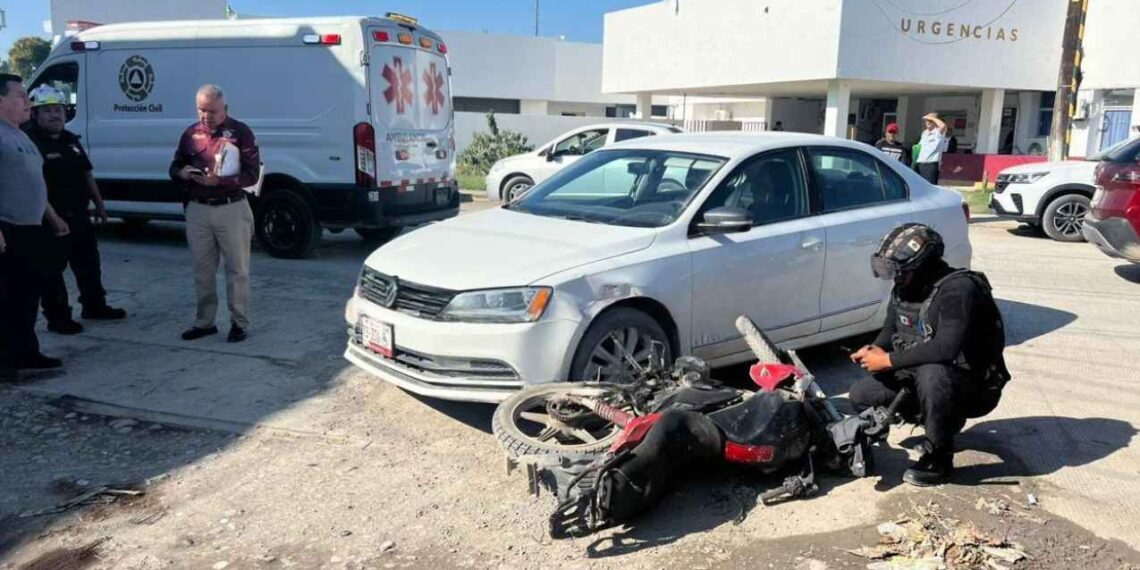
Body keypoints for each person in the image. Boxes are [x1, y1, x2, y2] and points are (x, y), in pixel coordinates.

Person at [849, 224, 1010, 487]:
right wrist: (875, 348)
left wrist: (887, 361)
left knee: (932, 374)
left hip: (973, 386)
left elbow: (945, 348)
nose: (895, 278)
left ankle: (939, 459)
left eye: (900, 271)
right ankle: (938, 419)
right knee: (861, 395)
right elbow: (891, 328)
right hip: (924, 377)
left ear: (923, 266)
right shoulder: (905, 287)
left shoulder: (959, 290)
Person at [26, 85, 126, 335]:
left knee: (89, 263)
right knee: (52, 272)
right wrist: (53, 217)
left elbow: (86, 172)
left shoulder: (70, 140)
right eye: (47, 110)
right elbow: (31, 184)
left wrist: (100, 204)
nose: (54, 115)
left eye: (58, 109)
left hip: (78, 214)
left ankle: (94, 306)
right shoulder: (29, 142)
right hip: (48, 219)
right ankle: (58, 318)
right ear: (35, 114)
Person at [169, 84, 260, 343]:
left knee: (237, 269)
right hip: (198, 209)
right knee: (203, 270)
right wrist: (181, 173)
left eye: (212, 111)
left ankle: (239, 322)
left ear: (225, 109)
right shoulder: (189, 134)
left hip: (231, 208)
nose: (206, 116)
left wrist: (219, 182)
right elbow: (174, 166)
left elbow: (252, 176)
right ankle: (204, 322)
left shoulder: (241, 133)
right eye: (201, 110)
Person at [0, 73, 71, 382]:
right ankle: (5, 363)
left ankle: (28, 353)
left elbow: (33, 182)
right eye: (20, 96)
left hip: (31, 228)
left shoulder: (20, 134)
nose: (27, 102)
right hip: (8, 228)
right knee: (7, 299)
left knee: (28, 296)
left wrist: (51, 217)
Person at [913, 113, 948, 185]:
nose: (928, 122)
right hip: (920, 163)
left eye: (930, 120)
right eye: (926, 120)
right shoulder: (924, 133)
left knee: (929, 187)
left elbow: (943, 126)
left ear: (935, 122)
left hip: (930, 164)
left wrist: (933, 118)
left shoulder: (938, 132)